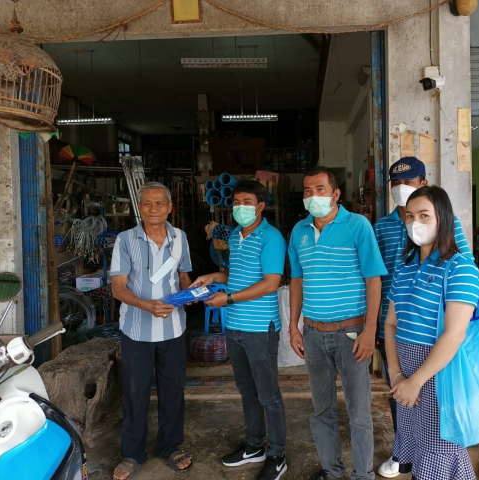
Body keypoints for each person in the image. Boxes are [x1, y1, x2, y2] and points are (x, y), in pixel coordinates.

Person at [373, 157, 472, 478]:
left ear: (443, 219)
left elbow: (454, 334)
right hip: (405, 373)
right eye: (410, 217)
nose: (415, 222)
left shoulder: (459, 268)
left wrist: (415, 381)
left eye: (425, 216)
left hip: (438, 375)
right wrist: (397, 376)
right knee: (415, 441)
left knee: (438, 451)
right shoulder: (405, 267)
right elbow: (391, 323)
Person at [288, 166, 387, 480]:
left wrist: (370, 330)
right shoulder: (299, 231)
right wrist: (293, 327)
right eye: (307, 190)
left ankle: (363, 475)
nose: (313, 196)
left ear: (336, 194)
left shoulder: (358, 225)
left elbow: (374, 280)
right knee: (321, 410)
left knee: (358, 413)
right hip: (313, 333)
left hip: (352, 333)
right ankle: (332, 472)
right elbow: (296, 281)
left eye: (320, 189)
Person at [190, 180, 288, 480]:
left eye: (247, 202)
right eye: (236, 202)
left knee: (268, 395)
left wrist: (229, 298)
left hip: (260, 328)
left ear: (261, 206)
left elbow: (270, 283)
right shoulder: (234, 235)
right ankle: (254, 445)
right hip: (234, 327)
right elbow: (238, 274)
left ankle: (278, 455)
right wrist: (212, 276)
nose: (240, 207)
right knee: (247, 390)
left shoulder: (271, 237)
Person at [110, 182, 193, 480]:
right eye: (147, 203)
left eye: (160, 203)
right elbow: (118, 288)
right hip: (137, 330)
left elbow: (183, 278)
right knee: (136, 392)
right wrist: (146, 305)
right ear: (139, 208)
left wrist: (193, 292)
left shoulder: (180, 238)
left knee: (173, 390)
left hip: (173, 329)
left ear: (170, 207)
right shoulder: (125, 240)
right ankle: (133, 453)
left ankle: (171, 446)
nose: (153, 208)